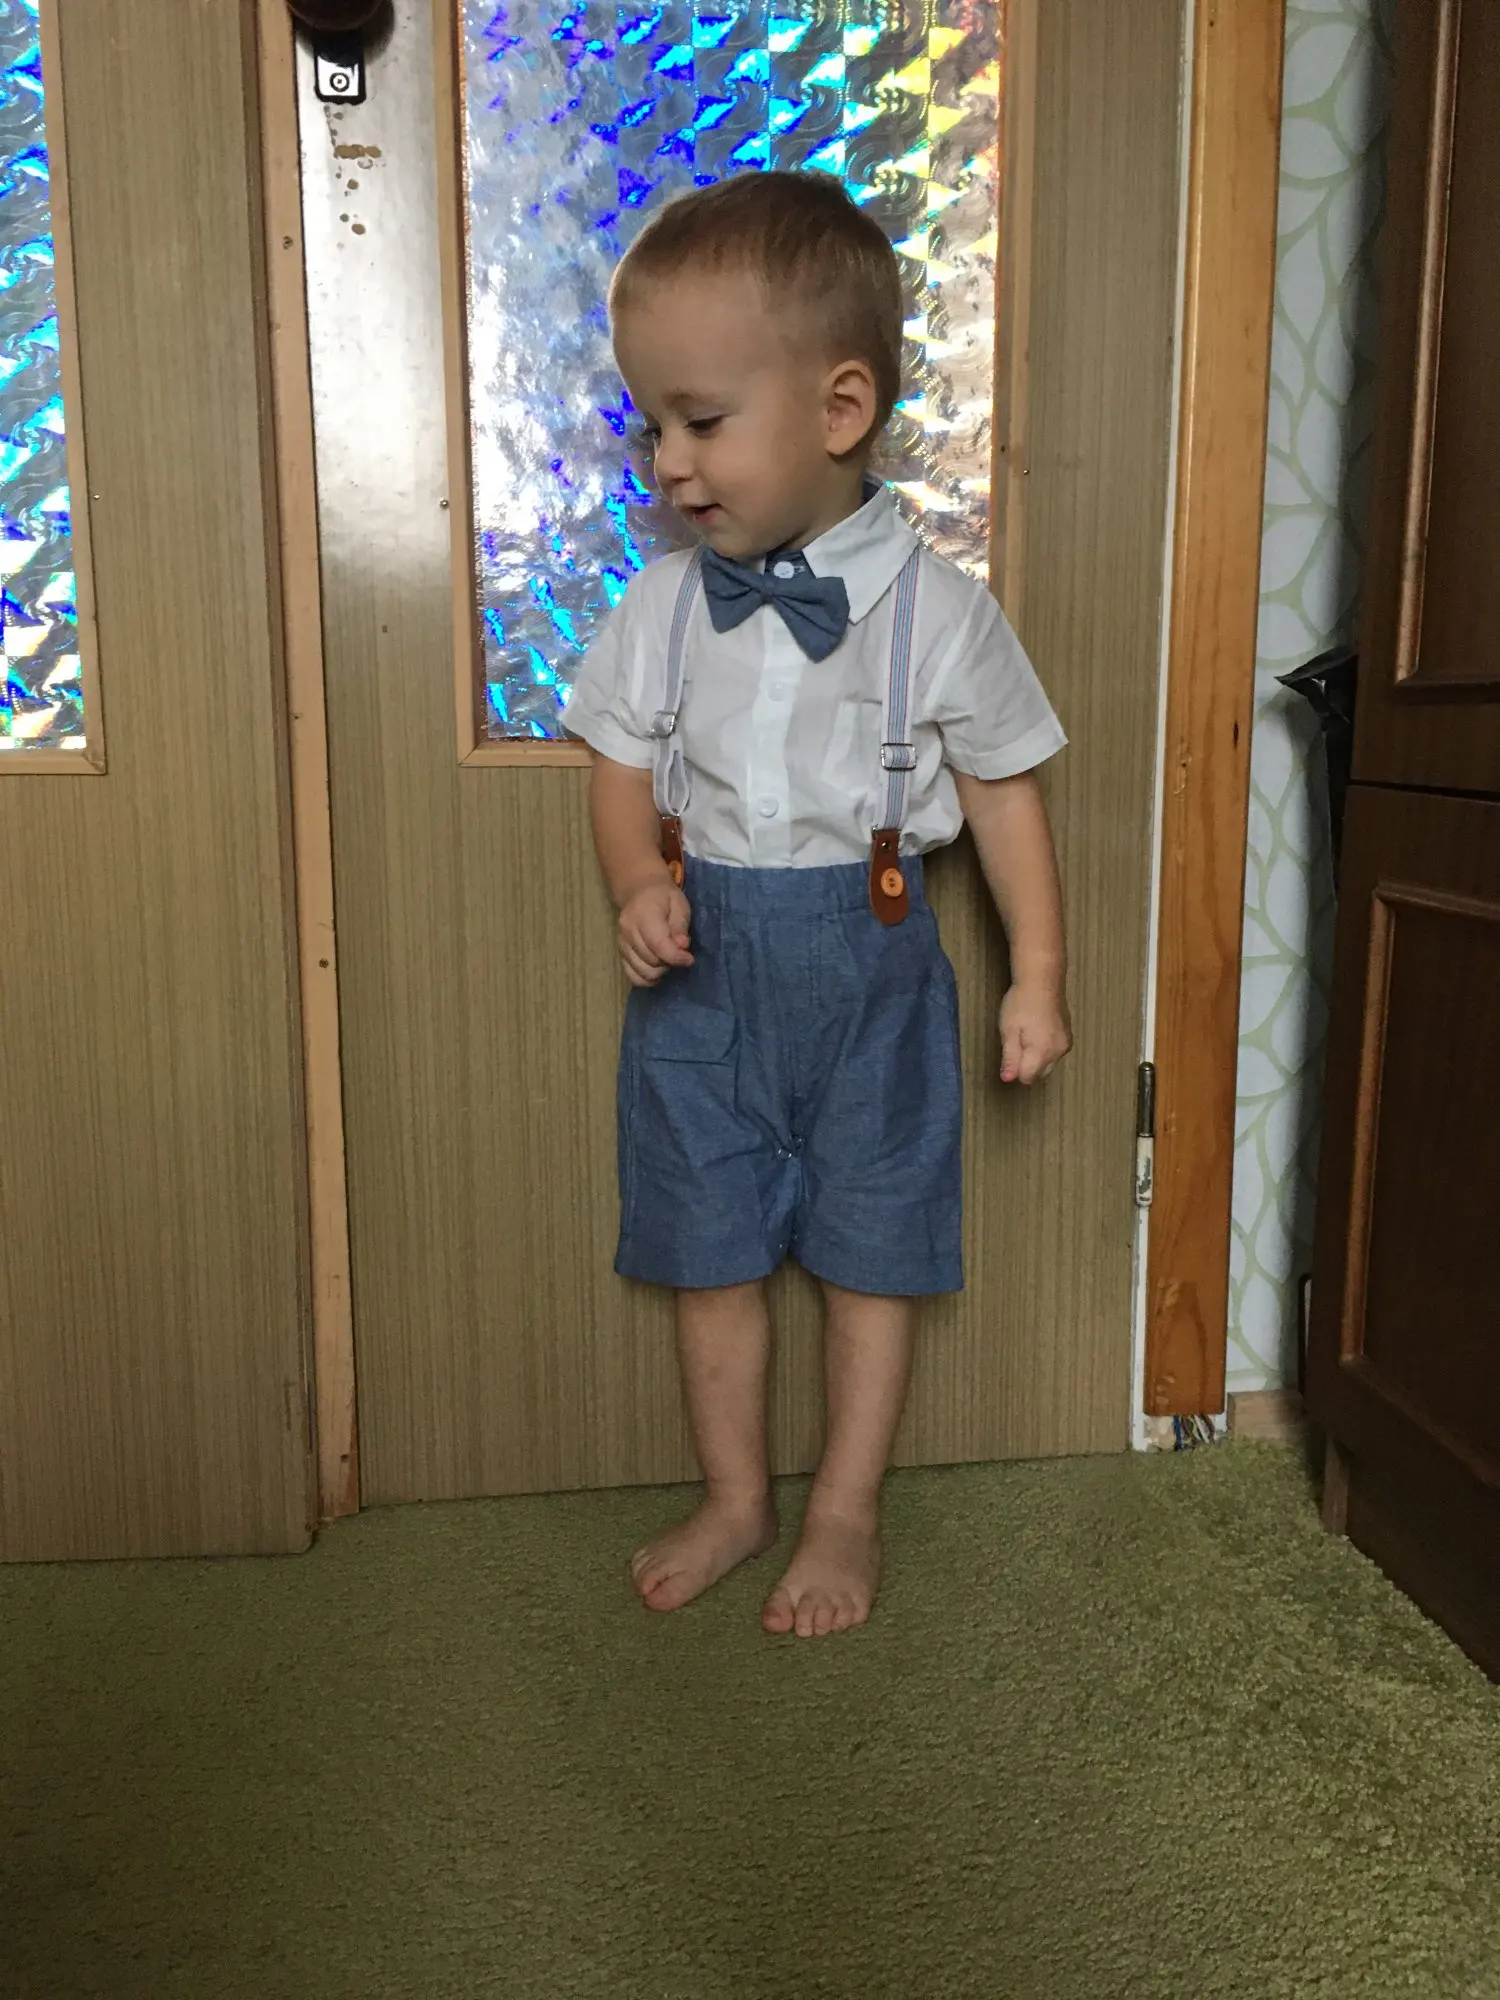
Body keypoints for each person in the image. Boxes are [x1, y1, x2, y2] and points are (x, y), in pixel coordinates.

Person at [563, 170, 1071, 1639]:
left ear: (841, 409)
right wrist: (638, 881)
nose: (670, 464)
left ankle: (845, 1508)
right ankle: (736, 1497)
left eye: (701, 422)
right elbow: (616, 767)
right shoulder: (663, 605)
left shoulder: (942, 612)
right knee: (706, 1248)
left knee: (873, 1247)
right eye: (653, 428)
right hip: (702, 977)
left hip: (876, 975)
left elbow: (1005, 796)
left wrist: (1036, 972)